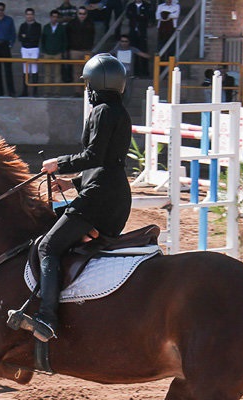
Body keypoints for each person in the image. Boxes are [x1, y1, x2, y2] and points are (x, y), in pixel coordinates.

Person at [21, 54, 132, 343]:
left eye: (87, 83)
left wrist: (60, 163)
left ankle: (46, 317)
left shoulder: (101, 112)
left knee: (47, 247)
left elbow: (93, 156)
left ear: (95, 83)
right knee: (58, 232)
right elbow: (108, 163)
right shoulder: (120, 111)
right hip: (115, 196)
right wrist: (70, 183)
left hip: (98, 199)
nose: (86, 88)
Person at [110, 34, 150, 103]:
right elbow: (107, 55)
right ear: (120, 42)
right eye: (122, 41)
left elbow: (143, 55)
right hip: (118, 76)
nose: (124, 43)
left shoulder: (132, 49)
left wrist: (154, 56)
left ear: (129, 42)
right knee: (116, 94)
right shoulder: (116, 49)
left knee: (128, 95)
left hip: (129, 76)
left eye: (126, 41)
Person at [66, 6, 95, 96]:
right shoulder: (71, 23)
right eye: (80, 13)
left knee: (88, 72)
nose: (82, 15)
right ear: (77, 14)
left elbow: (93, 37)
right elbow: (67, 37)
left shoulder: (90, 23)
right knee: (76, 72)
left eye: (84, 13)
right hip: (75, 50)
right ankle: (77, 91)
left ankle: (87, 91)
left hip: (86, 50)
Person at [40, 10, 66, 97]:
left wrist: (62, 52)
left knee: (57, 74)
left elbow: (64, 41)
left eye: (56, 17)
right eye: (53, 17)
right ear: (50, 17)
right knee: (47, 74)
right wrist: (43, 51)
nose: (54, 19)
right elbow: (43, 40)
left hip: (58, 53)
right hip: (47, 53)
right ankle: (47, 91)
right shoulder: (46, 27)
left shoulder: (62, 28)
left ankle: (57, 92)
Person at [18, 8, 41, 97]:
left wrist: (26, 37)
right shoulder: (22, 26)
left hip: (34, 48)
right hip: (25, 48)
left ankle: (35, 91)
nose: (29, 16)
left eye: (31, 14)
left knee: (34, 69)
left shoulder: (37, 26)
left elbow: (36, 37)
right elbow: (20, 38)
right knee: (25, 70)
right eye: (27, 14)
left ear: (33, 15)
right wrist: (28, 38)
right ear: (25, 15)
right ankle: (25, 91)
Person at [125, 0, 151, 77]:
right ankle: (135, 72)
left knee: (143, 50)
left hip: (142, 32)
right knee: (133, 52)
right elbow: (128, 16)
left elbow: (147, 16)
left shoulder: (146, 5)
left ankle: (145, 72)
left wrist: (136, 16)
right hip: (133, 32)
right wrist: (139, 16)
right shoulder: (130, 5)